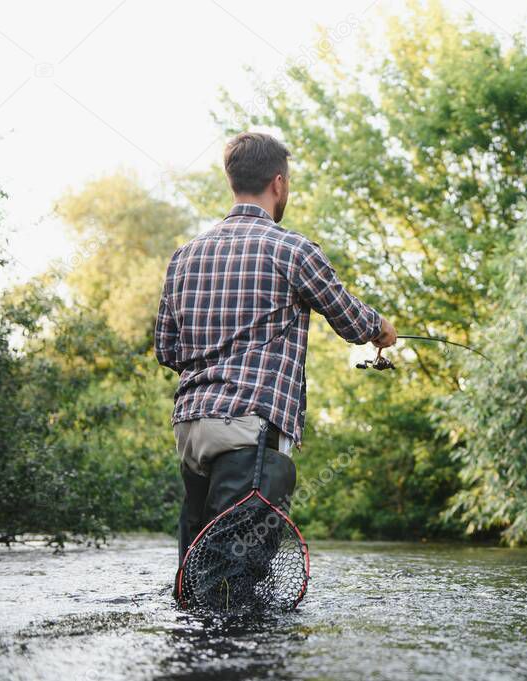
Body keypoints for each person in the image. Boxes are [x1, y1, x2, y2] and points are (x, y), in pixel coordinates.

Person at [154, 131, 397, 588]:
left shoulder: (183, 257)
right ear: (279, 185)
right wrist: (382, 329)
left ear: (233, 182)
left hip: (191, 434)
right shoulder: (292, 250)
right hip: (251, 431)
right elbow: (351, 322)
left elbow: (167, 351)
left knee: (195, 579)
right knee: (233, 586)